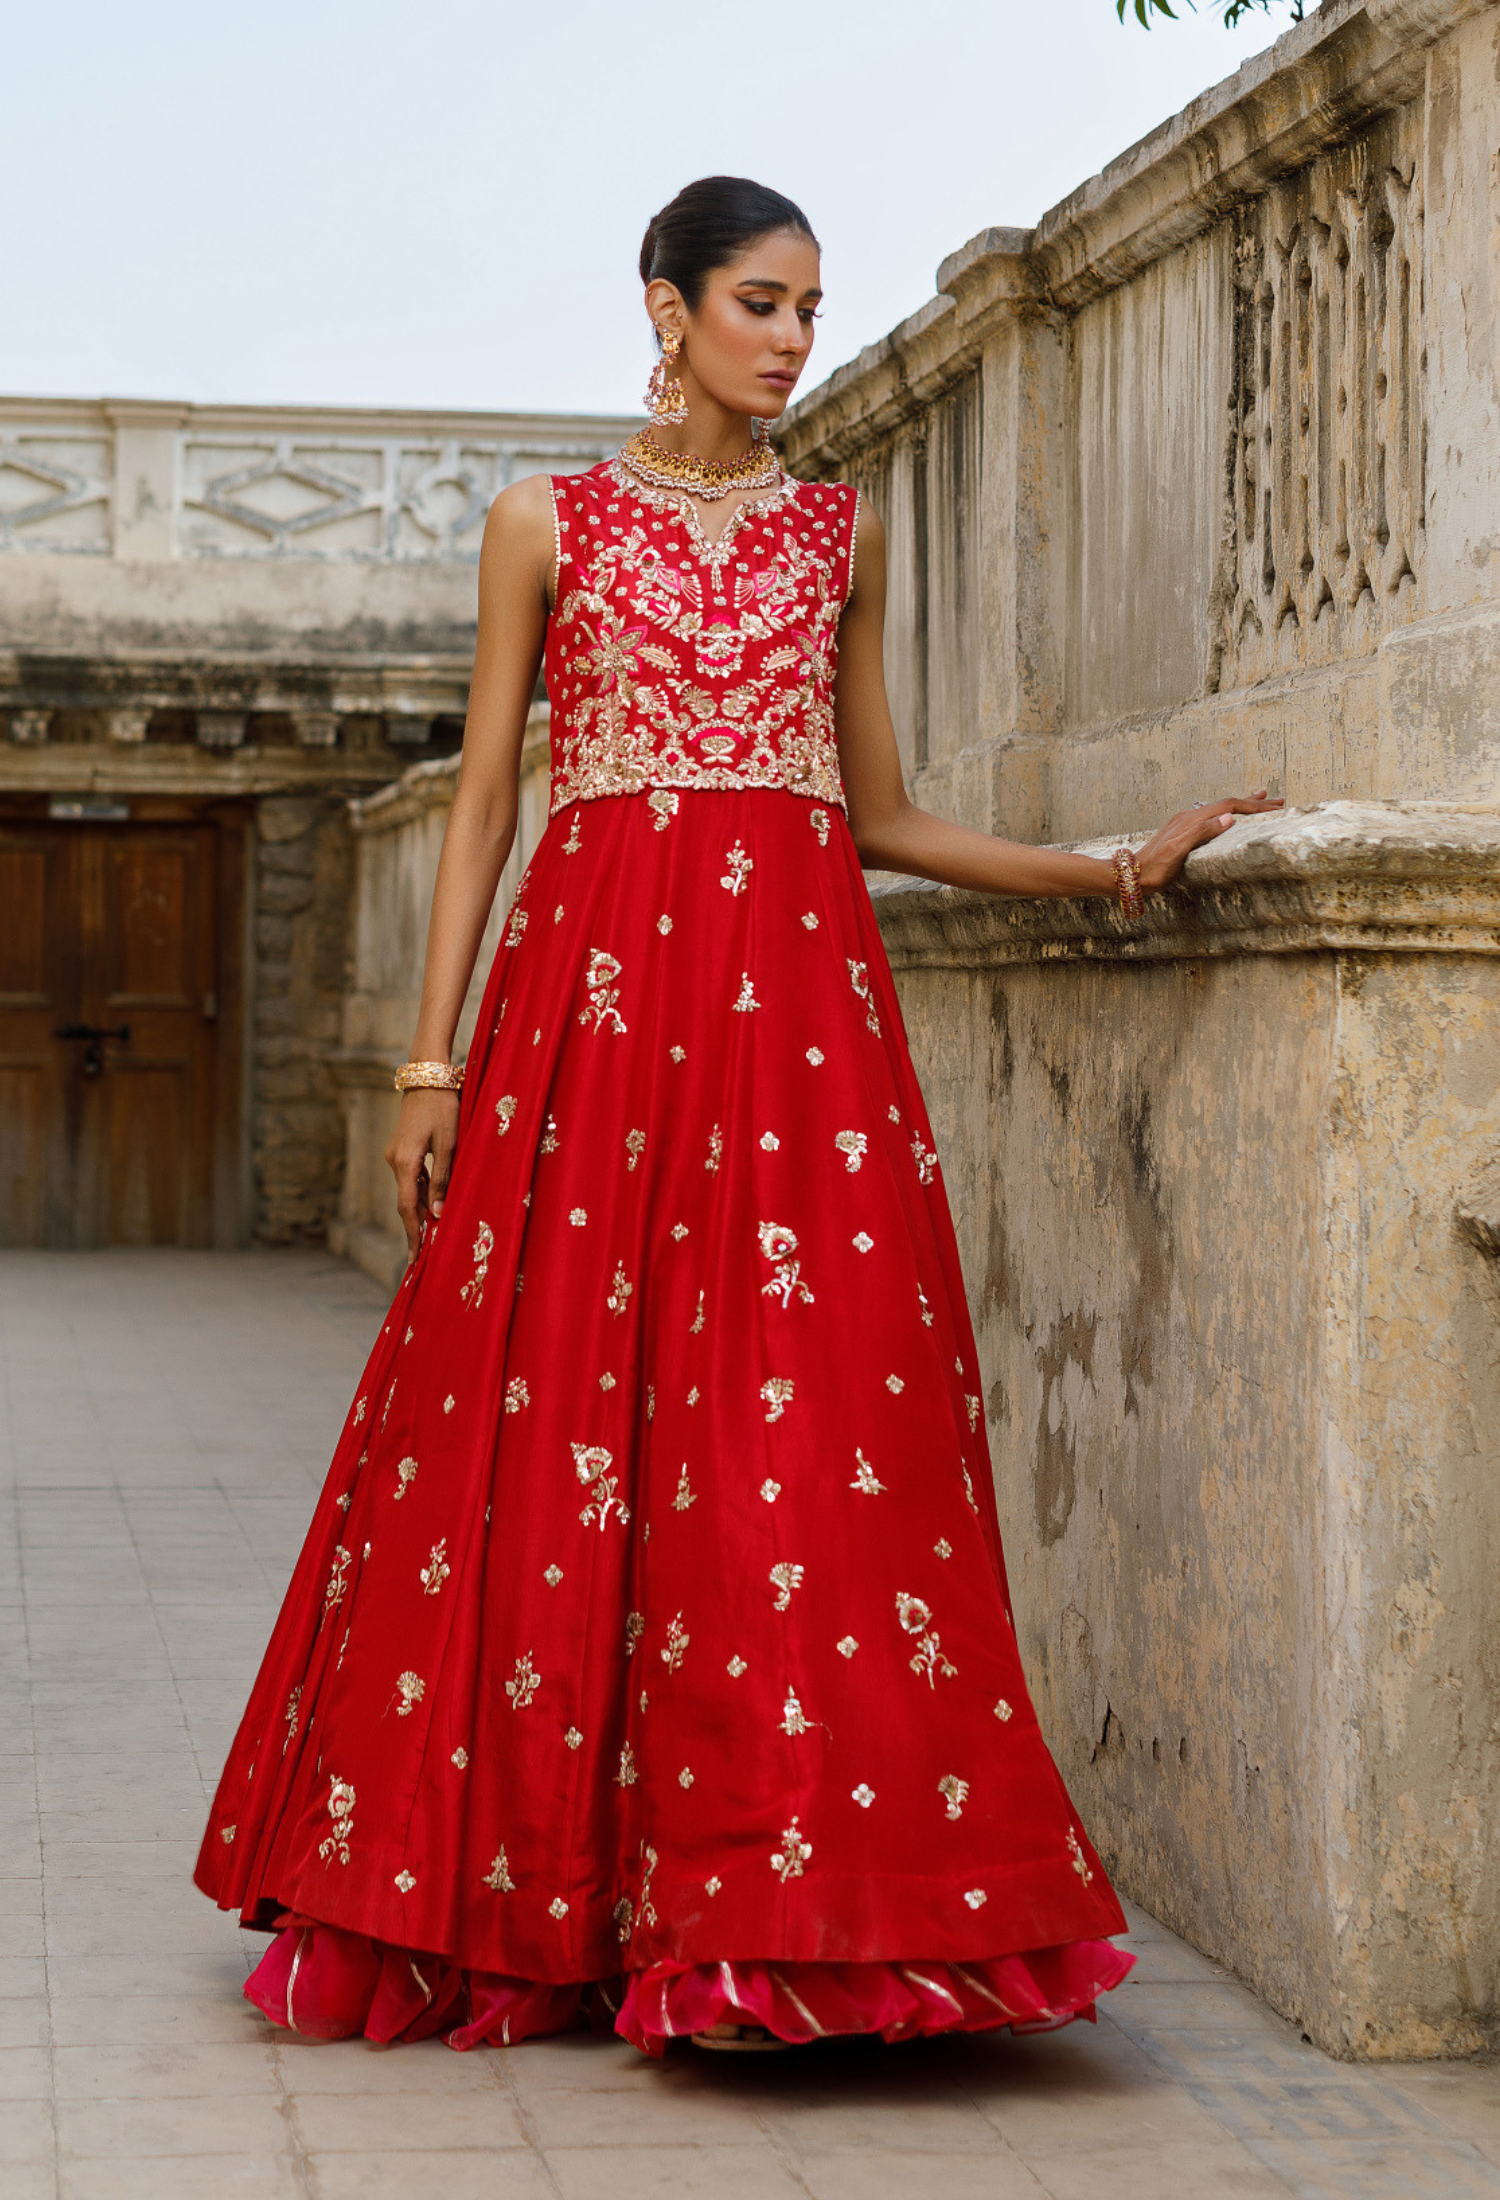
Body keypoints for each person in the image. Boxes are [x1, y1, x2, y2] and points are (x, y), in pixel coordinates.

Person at [194, 175, 1281, 2055]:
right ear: (666, 305)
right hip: (589, 1036)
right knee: (541, 1429)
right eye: (762, 304)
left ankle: (784, 1908)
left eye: (810, 307)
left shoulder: (835, 537)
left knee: (803, 1446)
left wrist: (1107, 871)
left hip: (799, 1046)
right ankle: (527, 1899)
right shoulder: (549, 521)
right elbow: (481, 807)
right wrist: (427, 1062)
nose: (793, 340)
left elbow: (883, 816)